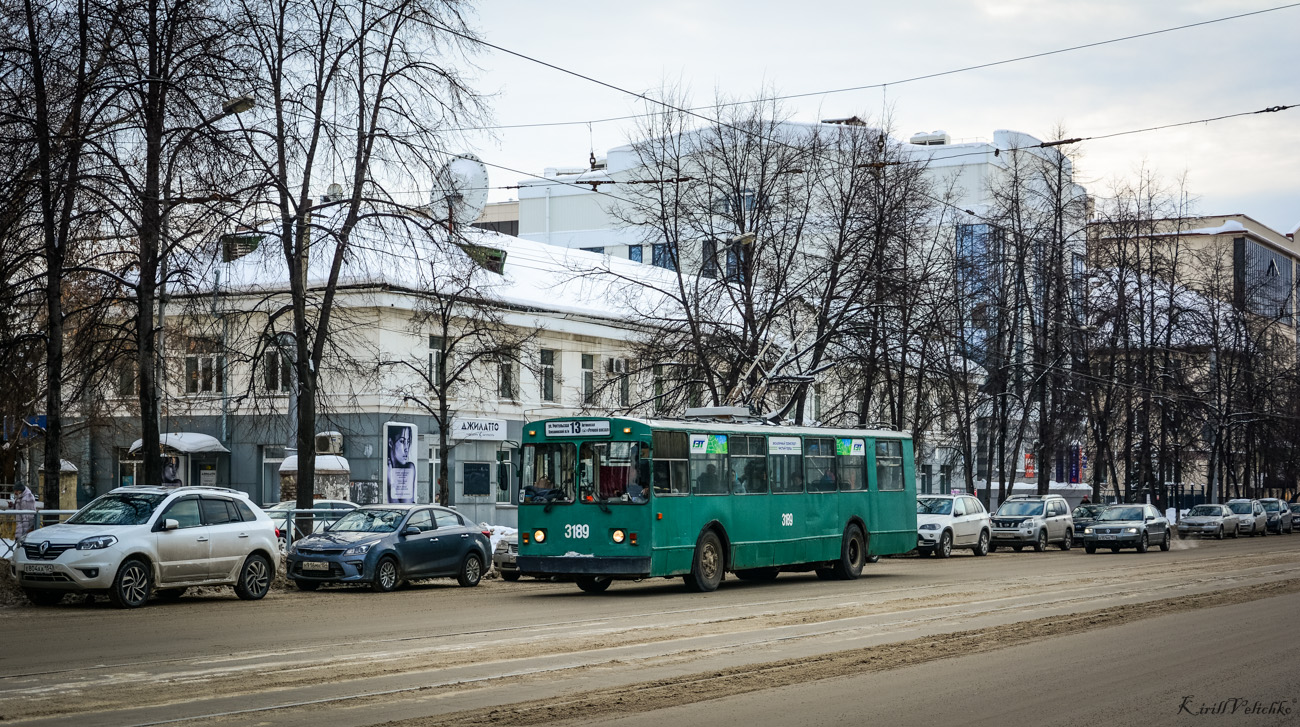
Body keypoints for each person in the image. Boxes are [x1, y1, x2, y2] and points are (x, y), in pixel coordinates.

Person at [386, 425, 416, 503]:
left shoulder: (409, 468)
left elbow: (405, 507)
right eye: (402, 441)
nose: (406, 448)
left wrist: (390, 482)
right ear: (390, 442)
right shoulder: (385, 467)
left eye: (408, 442)